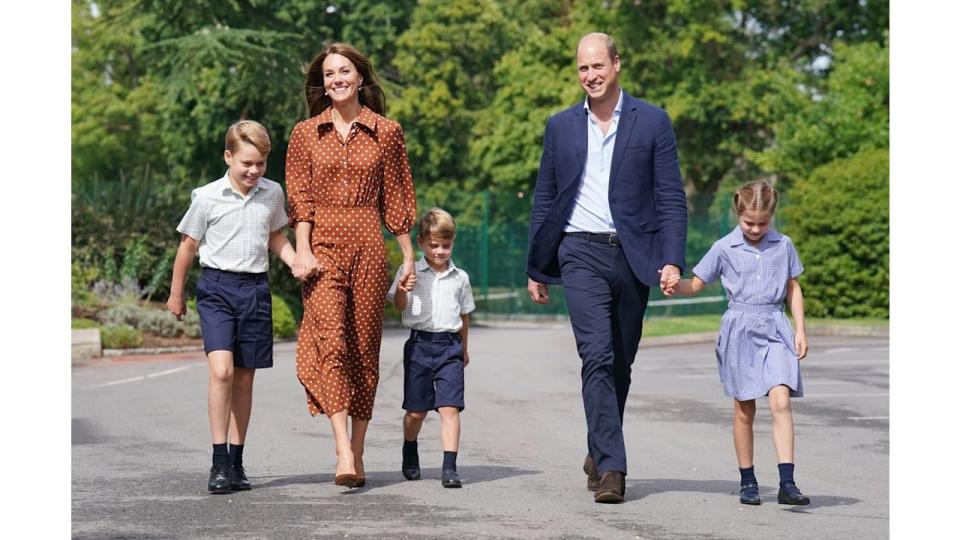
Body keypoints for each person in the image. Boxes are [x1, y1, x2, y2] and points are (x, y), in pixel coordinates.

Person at [526, 32, 688, 504]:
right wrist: (537, 263)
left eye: (598, 66)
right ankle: (614, 469)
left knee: (620, 361)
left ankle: (599, 447)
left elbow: (671, 197)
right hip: (579, 252)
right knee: (595, 355)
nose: (590, 76)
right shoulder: (560, 127)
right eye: (582, 69)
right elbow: (545, 198)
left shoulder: (653, 122)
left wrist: (672, 258)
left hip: (634, 256)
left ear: (617, 64)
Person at [285, 42, 417, 488]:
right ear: (322, 84)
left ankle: (358, 448)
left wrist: (408, 255)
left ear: (360, 77)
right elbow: (299, 200)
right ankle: (342, 447)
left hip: (368, 244)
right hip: (322, 246)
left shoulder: (387, 131)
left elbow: (397, 197)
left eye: (344, 71)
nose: (337, 79)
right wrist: (301, 250)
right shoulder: (305, 133)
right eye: (328, 74)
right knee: (333, 342)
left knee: (364, 349)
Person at [166, 120, 296, 494]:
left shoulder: (272, 193)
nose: (254, 171)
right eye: (246, 164)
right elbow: (188, 246)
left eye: (260, 164)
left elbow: (275, 234)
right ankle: (219, 461)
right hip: (217, 289)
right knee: (221, 371)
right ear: (228, 157)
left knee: (244, 376)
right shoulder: (207, 196)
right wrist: (176, 294)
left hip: (254, 289)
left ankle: (237, 461)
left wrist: (296, 261)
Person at [661, 181, 810, 506]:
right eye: (749, 222)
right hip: (739, 329)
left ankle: (787, 483)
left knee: (781, 401)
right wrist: (674, 285)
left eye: (762, 223)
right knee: (745, 408)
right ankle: (748, 481)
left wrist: (800, 328)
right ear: (738, 214)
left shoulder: (783, 245)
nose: (756, 229)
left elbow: (792, 288)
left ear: (772, 216)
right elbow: (697, 284)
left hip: (775, 326)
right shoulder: (723, 247)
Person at [386, 208, 475, 488]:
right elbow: (399, 306)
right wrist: (403, 288)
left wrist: (464, 348)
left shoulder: (460, 277)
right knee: (416, 412)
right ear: (422, 243)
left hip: (449, 347)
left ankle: (449, 467)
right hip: (419, 346)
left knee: (450, 408)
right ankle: (409, 446)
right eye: (434, 245)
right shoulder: (409, 271)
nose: (440, 251)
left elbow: (464, 316)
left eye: (446, 245)